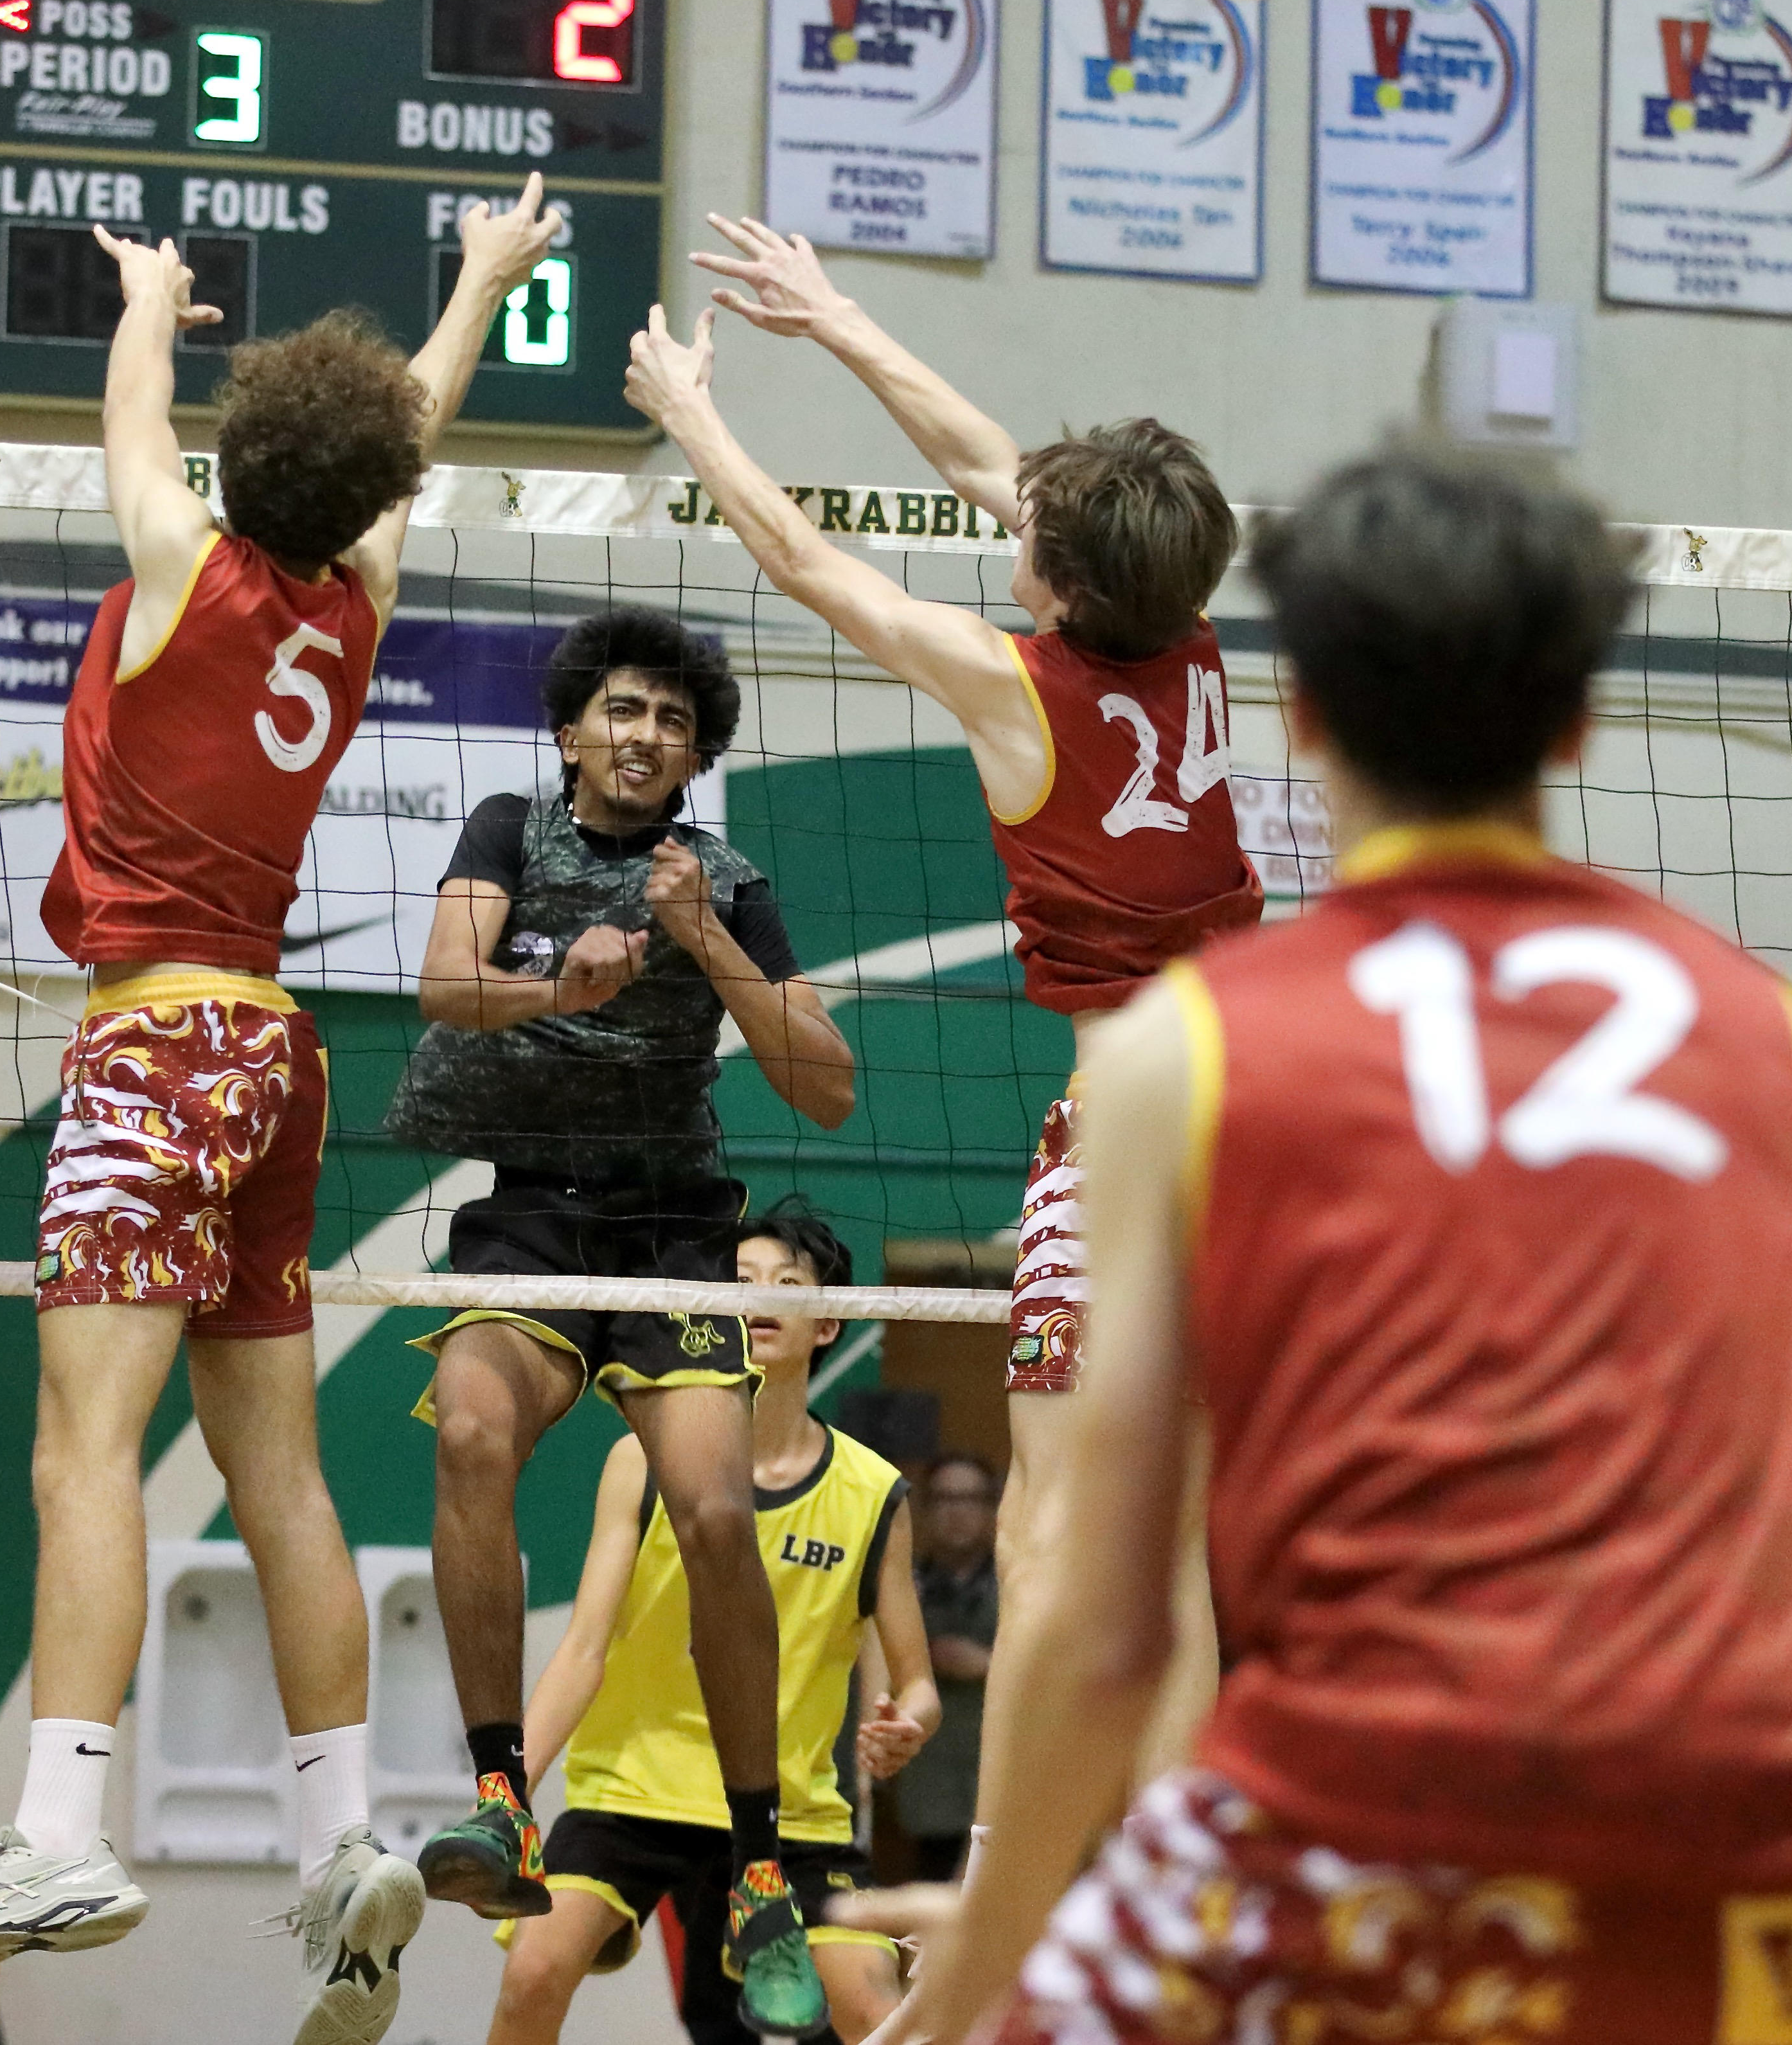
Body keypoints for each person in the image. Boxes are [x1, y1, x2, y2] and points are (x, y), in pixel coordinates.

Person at [873, 449, 1792, 2044]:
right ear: (1579, 719)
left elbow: (1105, 1617)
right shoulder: (1760, 1035)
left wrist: (990, 1945)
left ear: (1304, 717)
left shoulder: (1184, 1049)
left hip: (1378, 1815)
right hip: (1768, 1852)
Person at [0, 188, 562, 2045]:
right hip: (277, 1057)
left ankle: (57, 1824)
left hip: (156, 1045)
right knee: (281, 1476)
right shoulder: (357, 595)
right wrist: (483, 280)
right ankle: (341, 1838)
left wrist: (151, 306)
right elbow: (399, 436)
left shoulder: (191, 560)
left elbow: (125, 425)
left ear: (237, 468)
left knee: (79, 1450)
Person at [643, 218, 1260, 1870]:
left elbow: (802, 563)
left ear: (1057, 575)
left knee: (1056, 1517)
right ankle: (1184, 1877)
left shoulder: (1017, 686)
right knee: (1181, 1549)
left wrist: (689, 413)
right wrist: (836, 318)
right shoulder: (1182, 631)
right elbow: (995, 461)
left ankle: (1008, 1862)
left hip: (1129, 1129)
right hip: (1264, 1119)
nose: (1013, 516)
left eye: (1033, 529)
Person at [386, 600, 858, 2038]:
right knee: (473, 1431)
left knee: (714, 1513)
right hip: (529, 1211)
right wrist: (559, 981)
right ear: (573, 725)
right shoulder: (505, 826)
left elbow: (827, 1082)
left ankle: (762, 1862)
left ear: (696, 746)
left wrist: (700, 936)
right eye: (622, 708)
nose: (644, 732)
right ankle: (493, 1794)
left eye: (672, 716)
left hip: (671, 1227)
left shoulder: (725, 876)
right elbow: (441, 984)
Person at [491, 1201, 937, 2045]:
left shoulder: (874, 1491)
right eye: (738, 1281)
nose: (760, 1296)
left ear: (828, 1324)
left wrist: (908, 1719)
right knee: (533, 1973)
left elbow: (913, 1681)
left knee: (877, 2009)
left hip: (795, 1814)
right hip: (633, 1790)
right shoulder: (639, 1459)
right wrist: (506, 1789)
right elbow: (583, 1647)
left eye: (788, 1283)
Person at [900, 1454, 1000, 1882]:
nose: (958, 1510)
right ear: (924, 1509)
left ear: (993, 1507)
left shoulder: (1026, 1585)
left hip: (1005, 1783)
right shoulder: (900, 1584)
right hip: (927, 1795)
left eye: (971, 1498)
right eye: (944, 1498)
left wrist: (988, 1664)